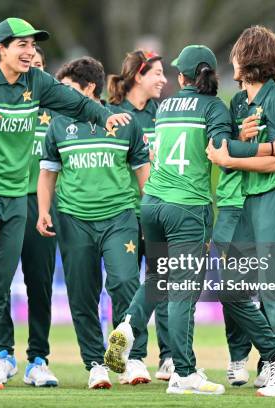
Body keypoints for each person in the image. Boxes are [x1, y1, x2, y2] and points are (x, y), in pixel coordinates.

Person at [0, 17, 130, 390]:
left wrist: (106, 118)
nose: (29, 51)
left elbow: (76, 103)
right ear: (1, 50)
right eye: (21, 44)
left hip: (13, 196)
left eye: (33, 44)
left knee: (0, 280)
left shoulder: (37, 82)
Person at [105, 45, 275, 395]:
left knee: (159, 279)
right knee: (182, 292)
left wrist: (235, 138)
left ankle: (128, 327)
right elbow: (221, 153)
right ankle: (184, 373)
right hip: (186, 208)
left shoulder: (167, 107)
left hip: (153, 203)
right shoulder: (213, 107)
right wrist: (269, 149)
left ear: (183, 77)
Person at [205, 25, 275, 398]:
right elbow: (231, 148)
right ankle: (273, 357)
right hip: (249, 204)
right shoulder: (239, 103)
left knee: (273, 289)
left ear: (248, 58)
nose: (230, 61)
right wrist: (231, 151)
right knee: (232, 290)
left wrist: (227, 158)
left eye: (235, 54)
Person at [37, 56, 150, 389]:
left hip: (120, 217)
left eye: (69, 89)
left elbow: (143, 171)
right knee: (82, 294)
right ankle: (95, 363)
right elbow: (47, 173)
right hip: (74, 220)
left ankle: (133, 357)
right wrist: (44, 210)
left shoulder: (125, 122)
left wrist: (152, 212)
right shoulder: (58, 124)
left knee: (125, 282)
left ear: (90, 88)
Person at [0, 46, 59, 387]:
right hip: (5, 198)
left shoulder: (57, 114)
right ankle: (2, 353)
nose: (36, 72)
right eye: (32, 65)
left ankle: (38, 360)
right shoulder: (5, 104)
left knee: (40, 284)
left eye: (41, 66)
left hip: (40, 205)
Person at [107, 49, 173, 381]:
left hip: (158, 210)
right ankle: (131, 357)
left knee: (162, 283)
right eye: (157, 73)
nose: (164, 79)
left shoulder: (164, 114)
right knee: (124, 284)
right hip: (124, 213)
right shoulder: (112, 114)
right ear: (138, 76)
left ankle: (169, 357)